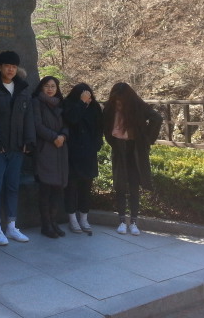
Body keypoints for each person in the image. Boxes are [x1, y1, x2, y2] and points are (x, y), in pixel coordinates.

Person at [0, 50, 36, 246]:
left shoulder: (22, 89)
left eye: (14, 66)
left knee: (13, 186)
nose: (11, 70)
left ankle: (11, 226)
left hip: (17, 148)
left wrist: (29, 140)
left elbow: (28, 116)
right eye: (7, 66)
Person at [103, 82, 162, 236]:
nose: (119, 105)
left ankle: (134, 221)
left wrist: (146, 139)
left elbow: (157, 118)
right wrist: (113, 142)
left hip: (135, 149)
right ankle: (122, 221)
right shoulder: (109, 107)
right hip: (119, 148)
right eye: (116, 101)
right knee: (120, 185)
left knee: (134, 186)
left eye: (121, 102)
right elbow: (105, 128)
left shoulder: (138, 106)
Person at [62, 83, 103, 234]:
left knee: (86, 187)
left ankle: (84, 218)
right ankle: (72, 219)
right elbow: (72, 119)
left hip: (89, 154)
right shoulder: (68, 104)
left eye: (88, 95)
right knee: (71, 187)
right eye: (84, 95)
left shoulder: (95, 107)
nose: (87, 98)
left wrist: (97, 144)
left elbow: (99, 127)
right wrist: (81, 103)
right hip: (73, 153)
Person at [32, 76, 68, 239]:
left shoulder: (61, 103)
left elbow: (67, 124)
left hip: (61, 149)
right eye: (47, 86)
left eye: (53, 86)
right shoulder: (37, 102)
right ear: (41, 87)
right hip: (45, 148)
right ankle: (46, 225)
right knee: (46, 188)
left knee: (57, 189)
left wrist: (63, 136)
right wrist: (54, 137)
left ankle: (53, 222)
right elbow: (37, 125)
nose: (50, 89)